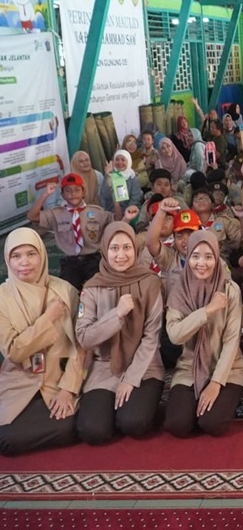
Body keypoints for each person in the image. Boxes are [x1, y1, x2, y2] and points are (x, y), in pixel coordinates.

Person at [75, 222, 165, 444]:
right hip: (105, 366)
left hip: (145, 367)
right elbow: (84, 337)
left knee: (134, 423)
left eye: (127, 248)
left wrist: (131, 379)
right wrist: (116, 315)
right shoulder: (92, 287)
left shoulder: (150, 282)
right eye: (114, 248)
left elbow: (151, 336)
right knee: (93, 432)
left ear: (135, 250)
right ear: (105, 250)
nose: (121, 255)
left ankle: (136, 403)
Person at [0, 229, 84, 456]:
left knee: (72, 427)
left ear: (43, 256)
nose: (24, 263)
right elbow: (14, 351)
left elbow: (83, 345)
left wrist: (69, 388)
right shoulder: (2, 298)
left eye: (31, 254)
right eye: (16, 256)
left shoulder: (65, 291)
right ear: (7, 259)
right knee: (7, 440)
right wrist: (48, 318)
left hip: (57, 379)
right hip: (19, 380)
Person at [163, 231, 243, 438]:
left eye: (209, 256)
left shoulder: (230, 290)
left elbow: (231, 340)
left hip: (228, 369)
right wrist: (207, 311)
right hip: (189, 368)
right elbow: (174, 335)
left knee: (213, 423)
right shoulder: (179, 290)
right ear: (188, 256)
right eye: (195, 256)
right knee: (178, 425)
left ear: (217, 258)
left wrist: (216, 383)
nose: (202, 263)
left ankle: (229, 399)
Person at [27, 173, 129, 291]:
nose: (73, 194)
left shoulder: (96, 212)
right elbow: (32, 216)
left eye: (77, 190)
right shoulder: (56, 214)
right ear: (62, 195)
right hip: (71, 261)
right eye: (68, 191)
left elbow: (118, 219)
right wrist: (45, 195)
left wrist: (116, 199)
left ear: (83, 192)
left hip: (93, 259)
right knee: (67, 292)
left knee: (101, 289)